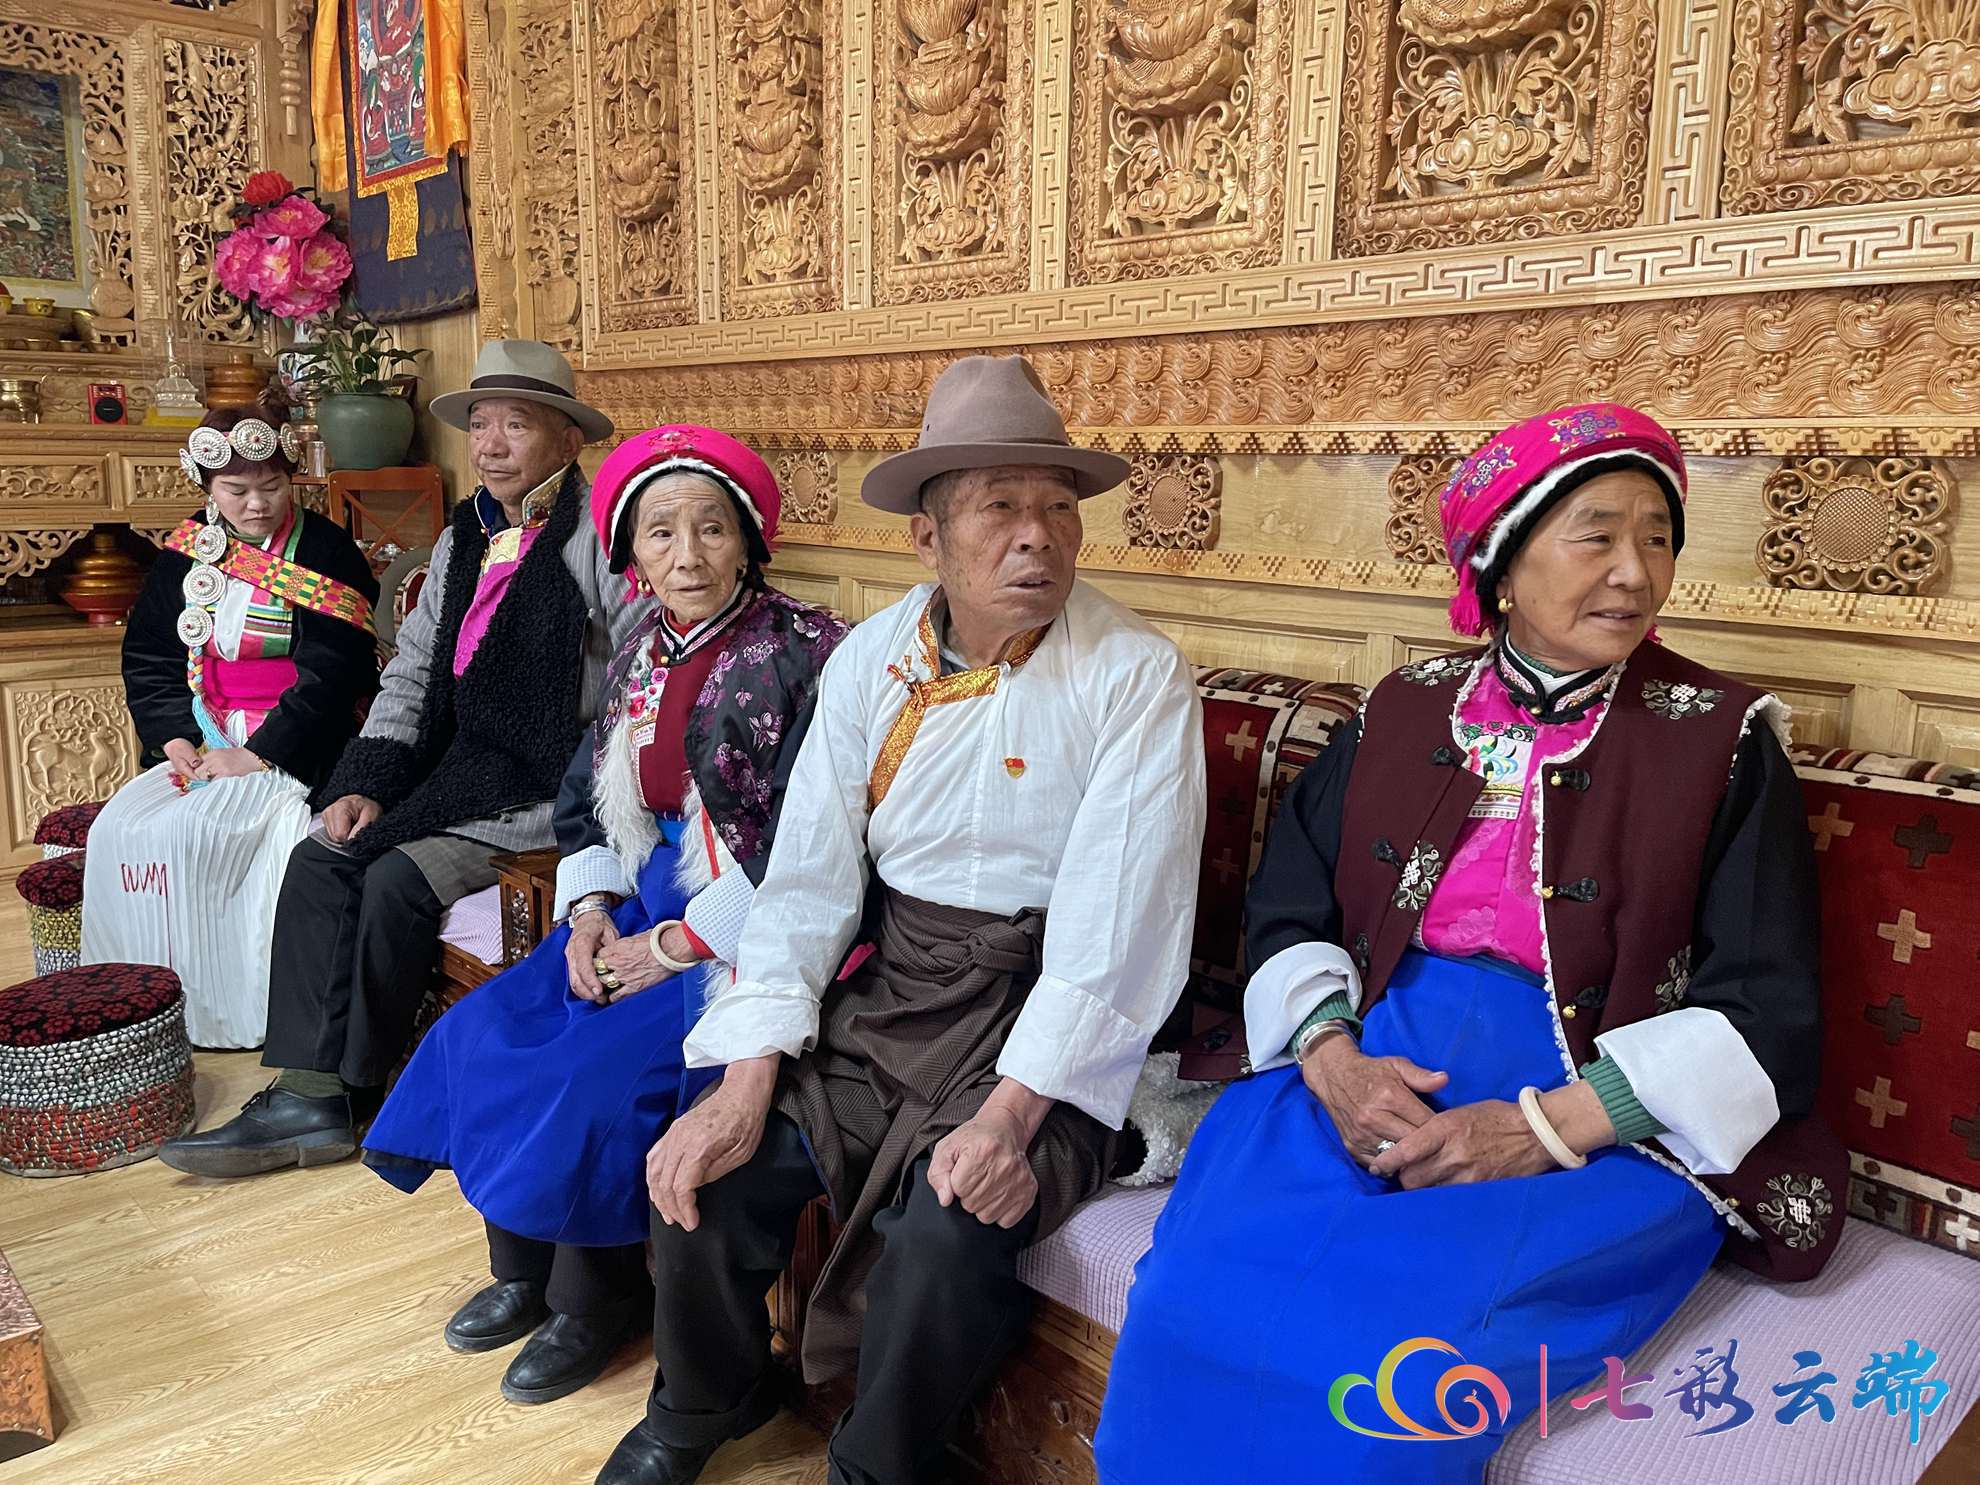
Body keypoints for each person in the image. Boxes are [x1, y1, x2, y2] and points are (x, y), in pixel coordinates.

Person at [1095, 404, 1846, 1485]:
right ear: (1500, 565)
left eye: (1658, 538)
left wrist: (1541, 1129)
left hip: (1605, 1107)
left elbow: (1766, 1006)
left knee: (1387, 1369)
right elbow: (1289, 906)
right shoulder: (1404, 710)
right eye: (1597, 536)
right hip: (1371, 1058)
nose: (1635, 572)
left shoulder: (1720, 740)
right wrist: (1332, 1060)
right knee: (1187, 1298)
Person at [591, 355, 1207, 1485]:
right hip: (891, 996)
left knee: (954, 1219)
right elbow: (808, 885)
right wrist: (745, 1081)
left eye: (1058, 508)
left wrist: (1012, 1118)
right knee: (711, 1170)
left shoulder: (1135, 675)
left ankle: (878, 1466)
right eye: (999, 508)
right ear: (928, 538)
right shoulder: (871, 661)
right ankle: (705, 1401)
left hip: (1045, 1013)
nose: (1037, 537)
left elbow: (1122, 925)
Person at [361, 426, 847, 1407]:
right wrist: (586, 913)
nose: (688, 555)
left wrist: (673, 946)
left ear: (749, 539)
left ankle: (597, 1300)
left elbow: (814, 846)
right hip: (639, 890)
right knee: (487, 1028)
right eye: (662, 533)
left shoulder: (808, 655)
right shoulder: (639, 649)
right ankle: (525, 1268)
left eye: (712, 529)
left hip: (746, 924)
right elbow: (588, 795)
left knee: (594, 1074)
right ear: (633, 555)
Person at [161, 340, 650, 1177]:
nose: (490, 445)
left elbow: (634, 686)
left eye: (517, 425)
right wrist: (366, 780)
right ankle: (309, 1091)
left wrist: (589, 800)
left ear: (569, 440)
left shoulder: (603, 537)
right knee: (323, 853)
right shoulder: (465, 537)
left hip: (544, 787)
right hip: (454, 771)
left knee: (395, 879)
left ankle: (358, 1093)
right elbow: (414, 672)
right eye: (481, 424)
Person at [82, 402, 378, 1048]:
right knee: (119, 831)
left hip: (301, 743)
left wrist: (260, 754)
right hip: (206, 736)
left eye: (271, 486)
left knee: (208, 837)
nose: (256, 504)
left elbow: (335, 671)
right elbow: (151, 652)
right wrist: (173, 736)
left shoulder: (326, 550)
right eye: (236, 490)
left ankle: (241, 1010)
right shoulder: (189, 548)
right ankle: (155, 1008)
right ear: (207, 488)